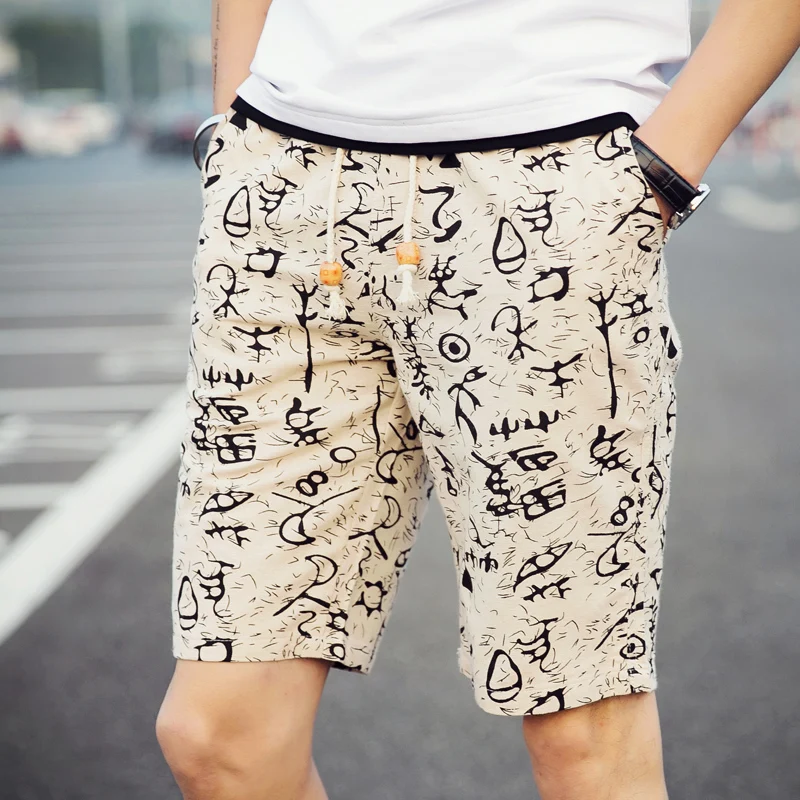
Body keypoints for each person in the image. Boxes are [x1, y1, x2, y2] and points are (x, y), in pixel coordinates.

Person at [156, 2, 800, 798]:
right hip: (284, 191)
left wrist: (662, 171)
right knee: (218, 735)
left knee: (581, 734)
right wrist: (232, 132)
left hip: (544, 188)